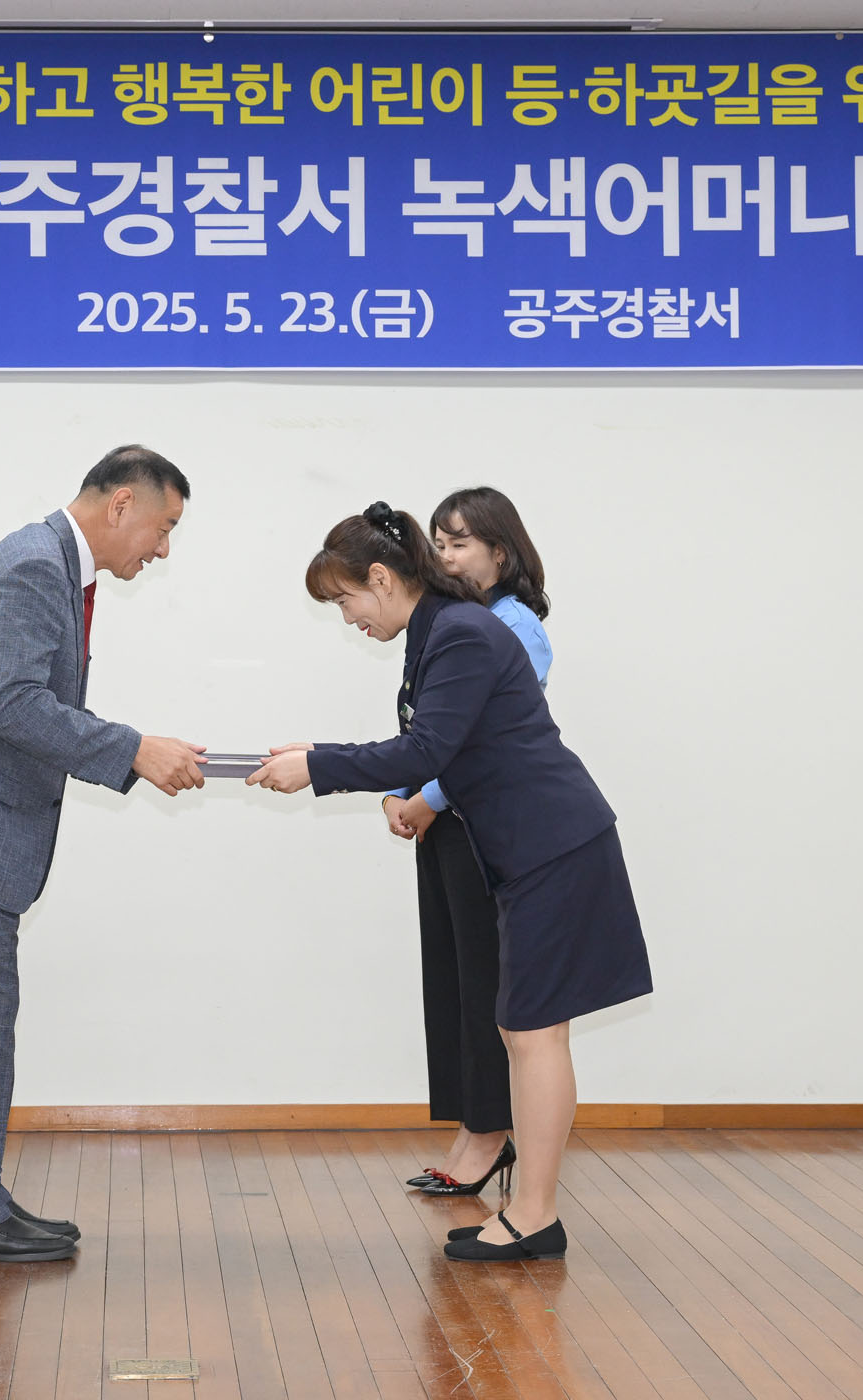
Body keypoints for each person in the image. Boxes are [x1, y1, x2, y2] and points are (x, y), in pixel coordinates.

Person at [247, 501, 652, 1262]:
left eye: (345, 601)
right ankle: (531, 1212)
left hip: (554, 845)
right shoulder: (439, 632)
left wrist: (317, 766)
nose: (347, 619)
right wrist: (317, 757)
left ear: (381, 578)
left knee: (534, 1033)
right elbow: (436, 747)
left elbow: (422, 751)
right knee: (526, 1031)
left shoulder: (460, 632)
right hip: (532, 849)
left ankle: (534, 1216)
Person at [0, 445, 208, 1263]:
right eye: (163, 528)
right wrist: (133, 750)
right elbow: (15, 705)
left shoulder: (50, 563)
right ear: (121, 505)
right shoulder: (30, 568)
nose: (163, 550)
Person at [385, 487, 555, 1199]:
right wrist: (406, 792)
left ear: (501, 554)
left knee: (486, 984)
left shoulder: (512, 628)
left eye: (459, 543)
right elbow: (428, 728)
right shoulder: (451, 622)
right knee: (454, 980)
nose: (445, 556)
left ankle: (489, 1134)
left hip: (485, 829)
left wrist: (423, 800)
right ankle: (471, 1127)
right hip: (446, 824)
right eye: (439, 543)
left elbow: (483, 741)